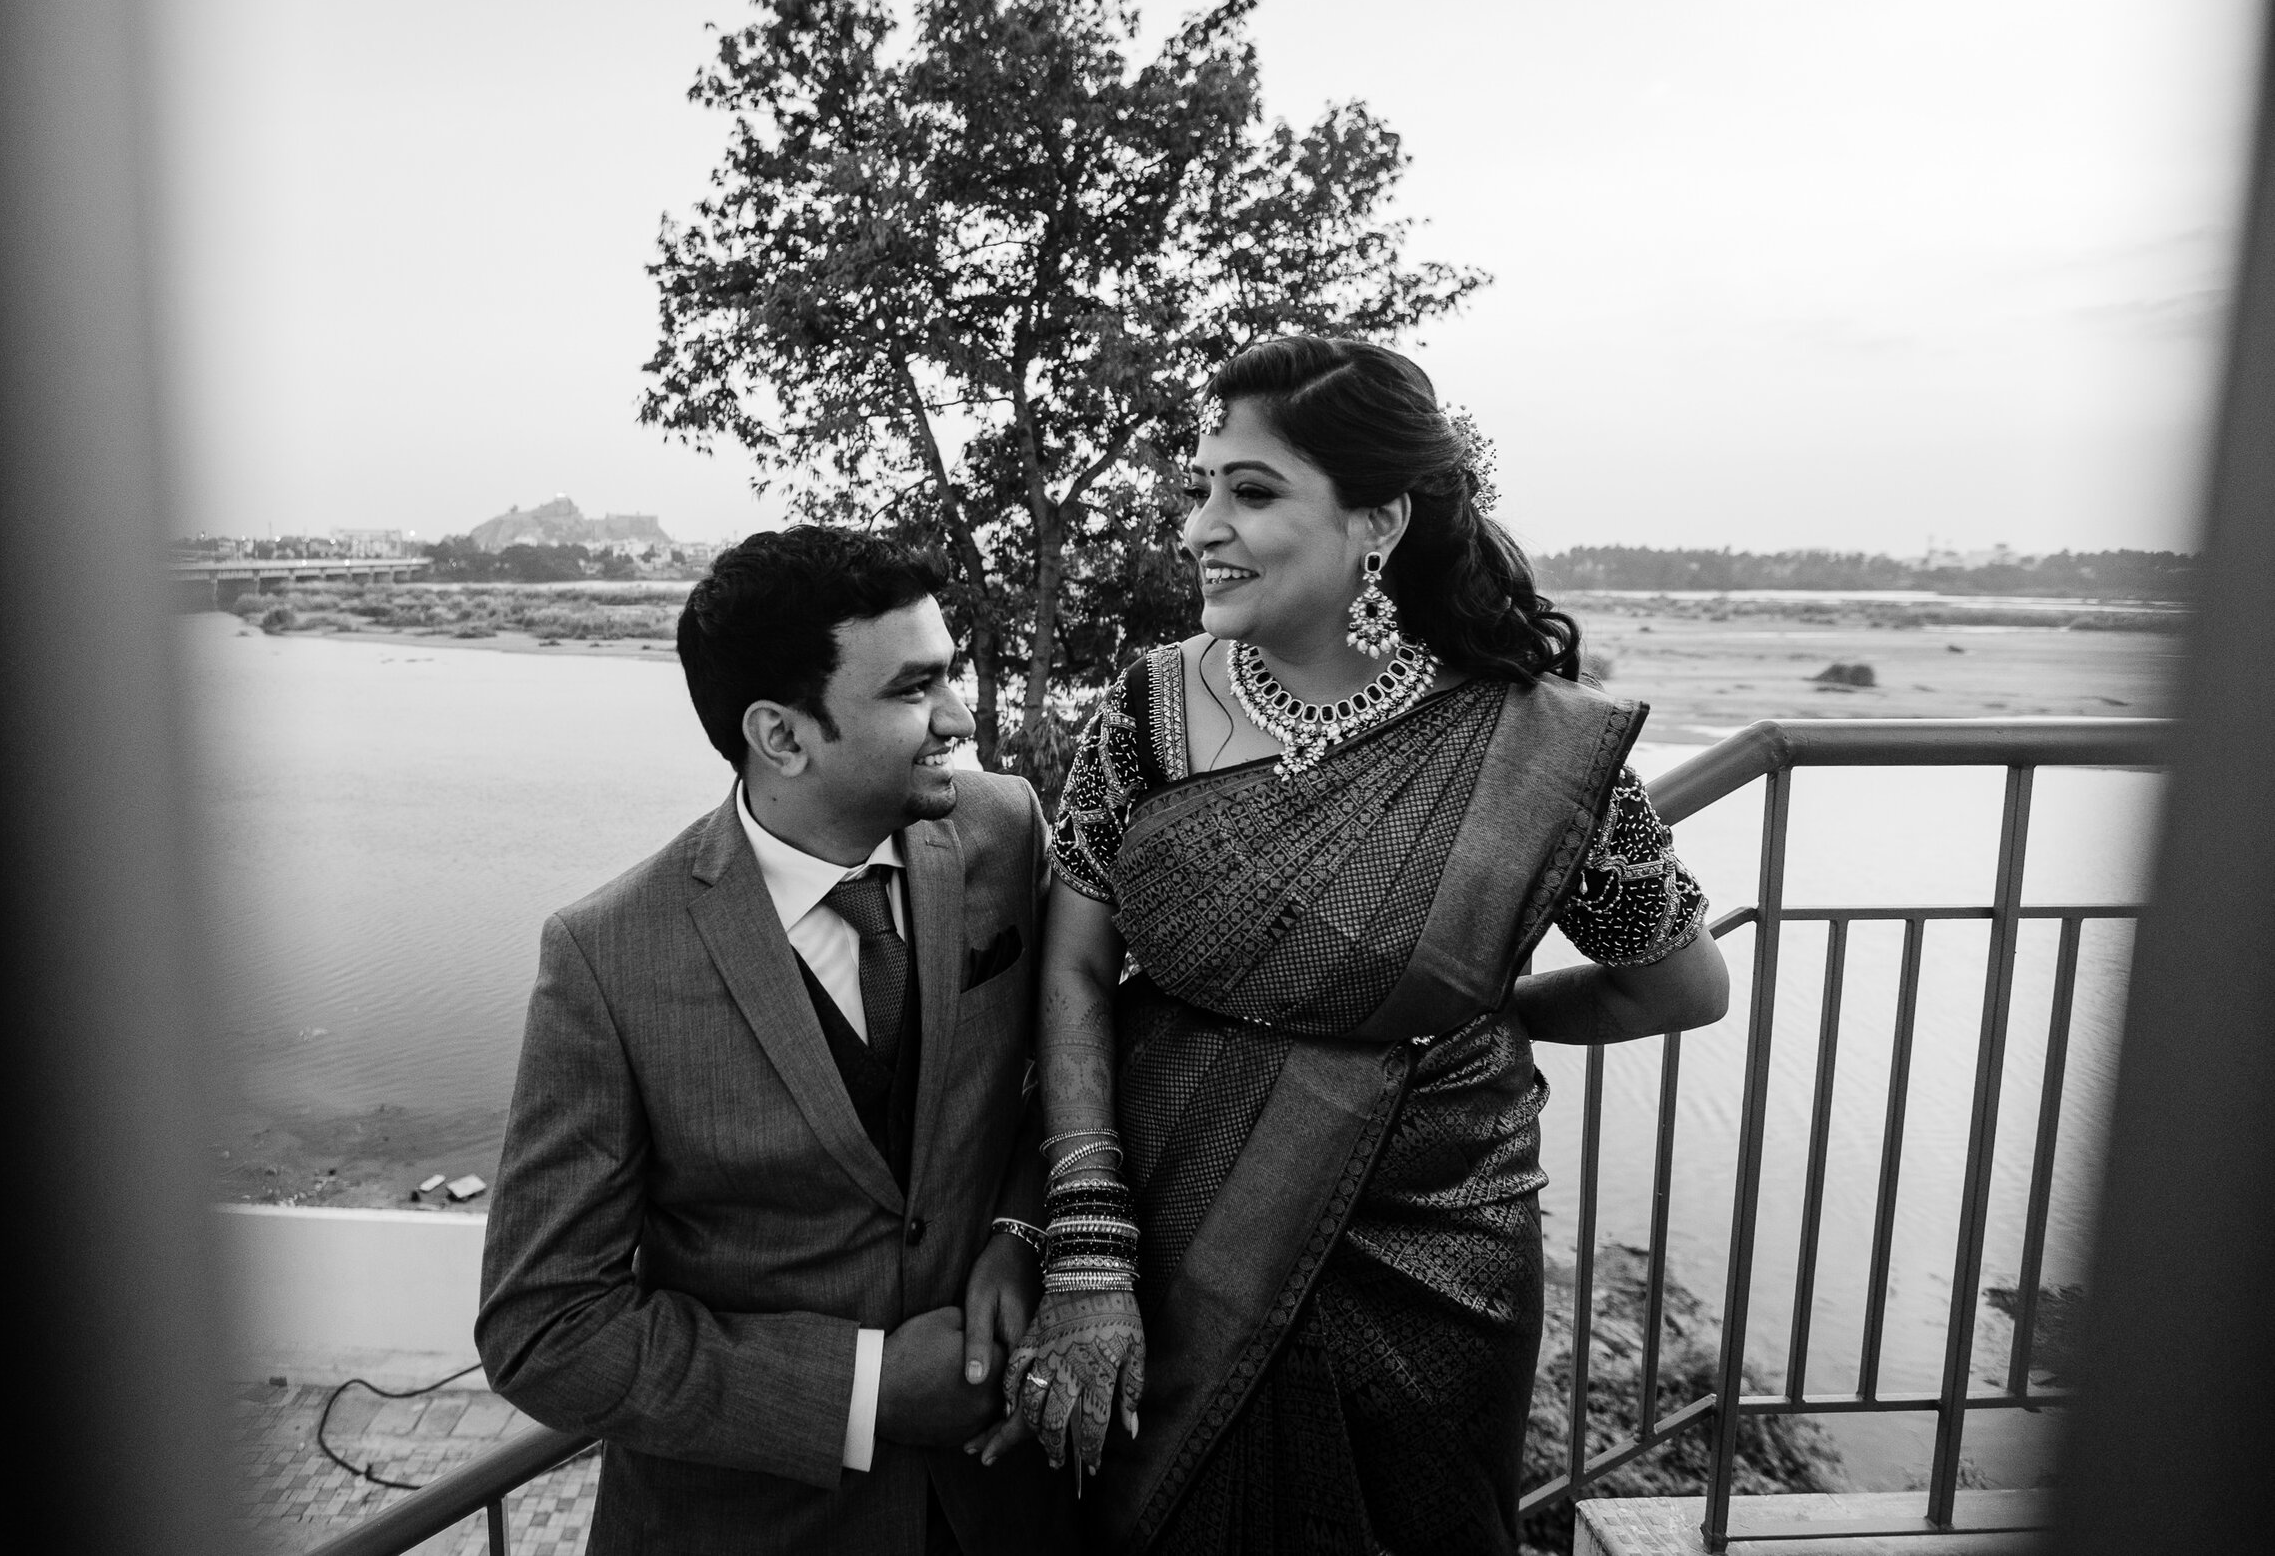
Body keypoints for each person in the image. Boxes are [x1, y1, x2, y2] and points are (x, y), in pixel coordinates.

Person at [981, 337, 1731, 1555]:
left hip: (1432, 1236)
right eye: (1200, 486)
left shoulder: (1531, 745)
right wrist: (1086, 1250)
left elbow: (1685, 984)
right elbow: (1071, 973)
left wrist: (1463, 1002)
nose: (1198, 526)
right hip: (1177, 1219)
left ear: (1376, 521)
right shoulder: (1152, 706)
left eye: (1252, 490)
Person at [478, 526, 1081, 1555]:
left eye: (953, 672)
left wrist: (1021, 1232)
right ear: (781, 734)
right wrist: (866, 1391)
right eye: (912, 689)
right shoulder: (606, 957)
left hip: (1008, 1507)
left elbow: (1063, 1070)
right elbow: (544, 1329)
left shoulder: (1005, 828)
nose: (958, 715)